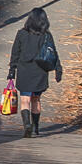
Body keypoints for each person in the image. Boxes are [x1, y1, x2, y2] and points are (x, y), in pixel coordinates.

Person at [6, 7, 62, 137]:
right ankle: (36, 127)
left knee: (25, 99)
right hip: (40, 71)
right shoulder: (46, 35)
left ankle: (27, 125)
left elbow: (15, 53)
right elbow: (53, 53)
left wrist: (12, 71)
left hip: (24, 70)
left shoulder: (21, 34)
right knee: (36, 100)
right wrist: (58, 69)